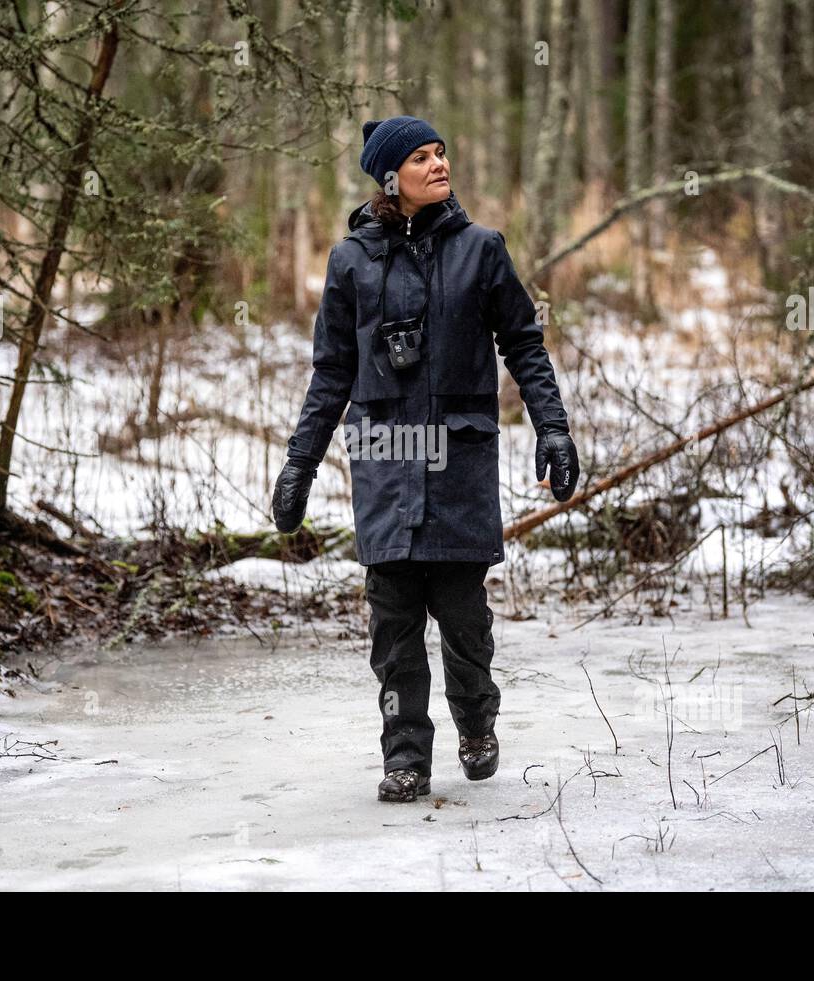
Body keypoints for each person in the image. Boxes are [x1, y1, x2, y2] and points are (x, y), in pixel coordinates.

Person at [271, 115, 579, 802]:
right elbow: (331, 373)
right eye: (420, 156)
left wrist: (552, 428)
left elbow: (524, 346)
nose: (439, 164)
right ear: (390, 177)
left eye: (442, 152)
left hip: (460, 465)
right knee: (394, 625)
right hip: (383, 462)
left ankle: (477, 722)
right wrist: (301, 462)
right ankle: (405, 755)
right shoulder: (350, 262)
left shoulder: (482, 250)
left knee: (464, 617)